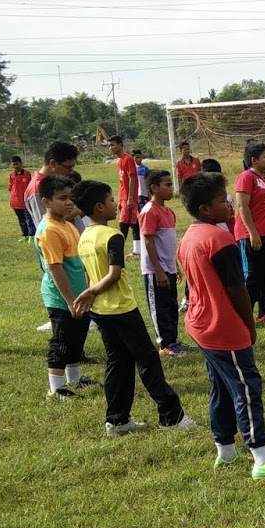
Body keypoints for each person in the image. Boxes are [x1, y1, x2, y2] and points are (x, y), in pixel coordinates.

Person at [177, 172, 265, 479]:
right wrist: (249, 326)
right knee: (246, 388)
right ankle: (262, 458)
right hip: (222, 328)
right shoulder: (219, 239)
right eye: (223, 200)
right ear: (205, 209)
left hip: (199, 324)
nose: (230, 202)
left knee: (220, 386)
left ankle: (226, 452)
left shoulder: (189, 236)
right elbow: (237, 289)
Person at [71, 179, 194, 437]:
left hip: (102, 312)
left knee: (118, 363)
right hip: (121, 309)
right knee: (148, 360)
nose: (116, 204)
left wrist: (92, 294)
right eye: (111, 200)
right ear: (99, 207)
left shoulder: (84, 237)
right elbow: (114, 274)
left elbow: (88, 273)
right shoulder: (112, 235)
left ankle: (117, 420)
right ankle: (171, 415)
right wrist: (92, 291)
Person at [33, 175, 90, 401]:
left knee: (77, 337)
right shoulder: (49, 230)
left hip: (78, 293)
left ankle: (74, 379)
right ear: (46, 202)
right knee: (62, 340)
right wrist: (69, 300)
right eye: (62, 198)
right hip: (61, 297)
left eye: (70, 198)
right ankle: (56, 388)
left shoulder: (66, 225)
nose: (68, 203)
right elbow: (55, 268)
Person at [233, 140, 265, 323]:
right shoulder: (246, 177)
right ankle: (245, 316)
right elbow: (242, 206)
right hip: (251, 236)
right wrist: (253, 233)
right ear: (254, 160)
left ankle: (263, 314)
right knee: (252, 277)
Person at [138, 168, 184, 354]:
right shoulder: (149, 211)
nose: (171, 188)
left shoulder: (169, 211)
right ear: (154, 188)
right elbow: (148, 241)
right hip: (155, 270)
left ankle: (173, 340)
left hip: (169, 268)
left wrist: (175, 266)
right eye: (167, 185)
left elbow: (168, 242)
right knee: (159, 307)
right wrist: (158, 270)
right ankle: (164, 344)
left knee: (171, 305)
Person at [24, 141, 79, 231]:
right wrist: (79, 209)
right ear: (53, 163)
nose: (71, 172)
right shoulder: (37, 188)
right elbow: (47, 226)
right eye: (68, 168)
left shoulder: (59, 182)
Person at [108, 134, 140, 243]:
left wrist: (130, 198)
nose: (110, 148)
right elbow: (122, 181)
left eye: (112, 145)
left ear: (120, 145)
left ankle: (121, 248)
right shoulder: (120, 161)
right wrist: (120, 199)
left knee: (124, 223)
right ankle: (137, 247)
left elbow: (132, 178)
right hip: (123, 196)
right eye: (109, 146)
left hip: (128, 197)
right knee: (132, 221)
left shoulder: (128, 159)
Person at [6, 155, 33, 240]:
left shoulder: (27, 174)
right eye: (13, 164)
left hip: (25, 201)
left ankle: (31, 236)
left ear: (21, 164)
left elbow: (30, 186)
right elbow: (10, 187)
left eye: (17, 164)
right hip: (15, 202)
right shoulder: (11, 175)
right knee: (21, 220)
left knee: (29, 219)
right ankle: (25, 235)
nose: (15, 166)